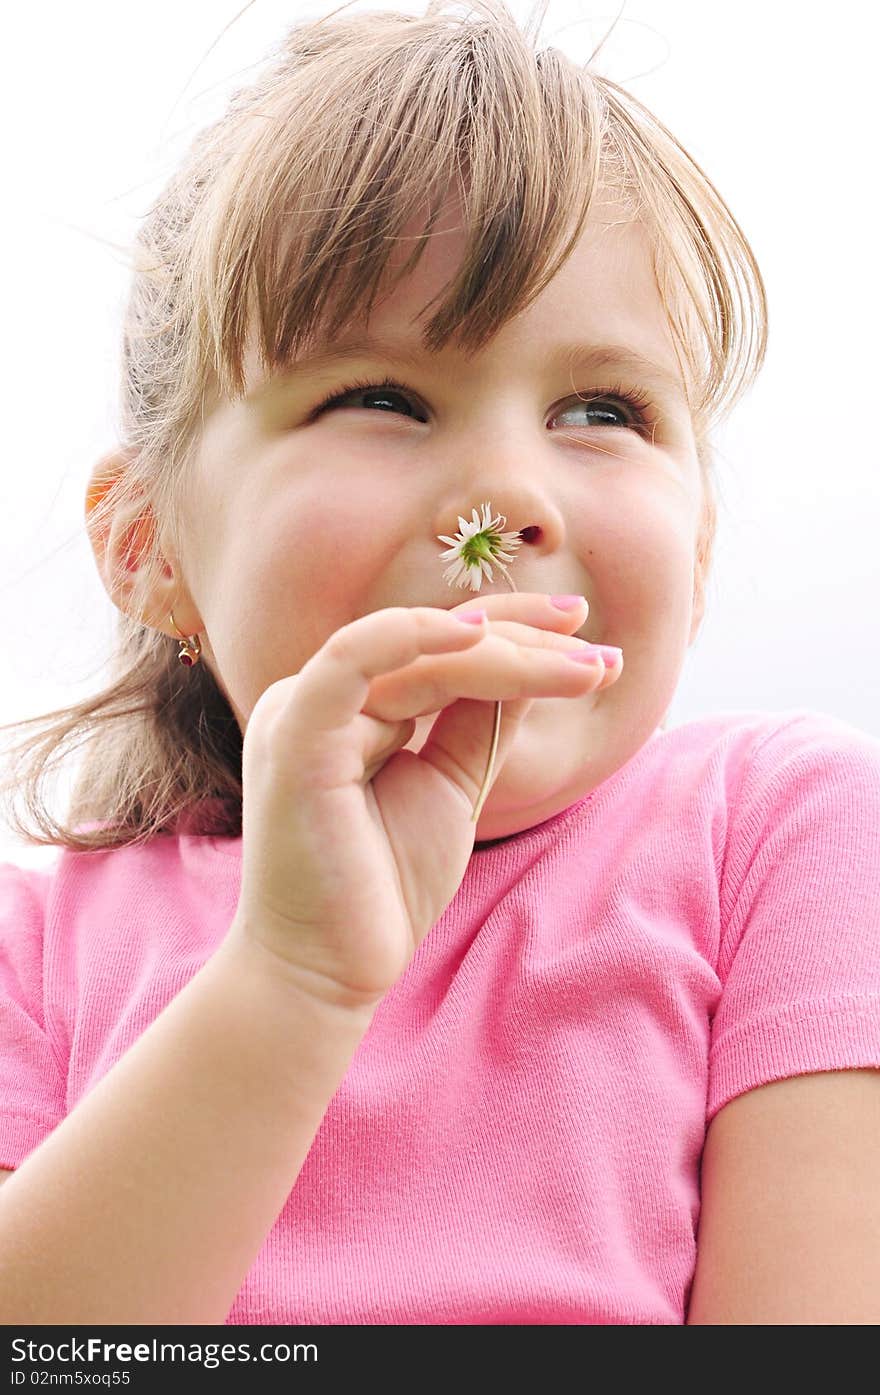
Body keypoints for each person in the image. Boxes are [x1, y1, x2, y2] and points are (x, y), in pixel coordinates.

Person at [0, 0, 878, 1327]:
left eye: (604, 410)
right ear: (149, 547)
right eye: (380, 399)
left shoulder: (779, 836)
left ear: (698, 548)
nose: (508, 495)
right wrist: (291, 979)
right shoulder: (40, 949)